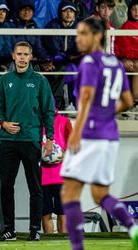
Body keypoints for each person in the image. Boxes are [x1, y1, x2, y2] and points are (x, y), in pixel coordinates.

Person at [60, 18, 138, 250]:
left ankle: (77, 248)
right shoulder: (115, 63)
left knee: (69, 193)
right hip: (110, 137)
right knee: (100, 195)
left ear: (97, 36)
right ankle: (133, 228)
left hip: (89, 135)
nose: (78, 38)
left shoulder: (89, 63)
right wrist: (105, 113)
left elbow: (85, 98)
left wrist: (76, 133)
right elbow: (128, 100)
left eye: (83, 33)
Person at [0, 41, 55, 242]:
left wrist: (50, 138)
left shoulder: (40, 81)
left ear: (30, 57)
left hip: (31, 140)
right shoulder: (4, 81)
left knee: (35, 187)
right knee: (6, 187)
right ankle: (9, 229)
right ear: (13, 56)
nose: (21, 57)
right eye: (18, 53)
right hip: (7, 141)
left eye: (25, 54)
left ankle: (34, 229)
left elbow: (48, 111)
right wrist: (3, 123)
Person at [42, 0, 81, 109]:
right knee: (61, 71)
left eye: (71, 11)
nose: (69, 14)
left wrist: (73, 56)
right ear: (60, 12)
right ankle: (56, 105)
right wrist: (69, 56)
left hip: (71, 61)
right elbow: (54, 49)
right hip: (55, 61)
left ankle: (76, 105)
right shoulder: (52, 26)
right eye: (65, 11)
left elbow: (79, 48)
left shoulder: (79, 27)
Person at [41, 108, 72, 233]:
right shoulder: (36, 122)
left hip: (61, 177)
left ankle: (63, 243)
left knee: (62, 213)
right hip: (42, 177)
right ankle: (49, 244)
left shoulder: (64, 121)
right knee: (45, 213)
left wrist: (66, 155)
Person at [115, 0, 138, 105]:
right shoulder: (126, 26)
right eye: (134, 9)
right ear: (129, 11)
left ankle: (134, 100)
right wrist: (124, 60)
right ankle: (133, 101)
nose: (136, 12)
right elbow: (120, 47)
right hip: (127, 60)